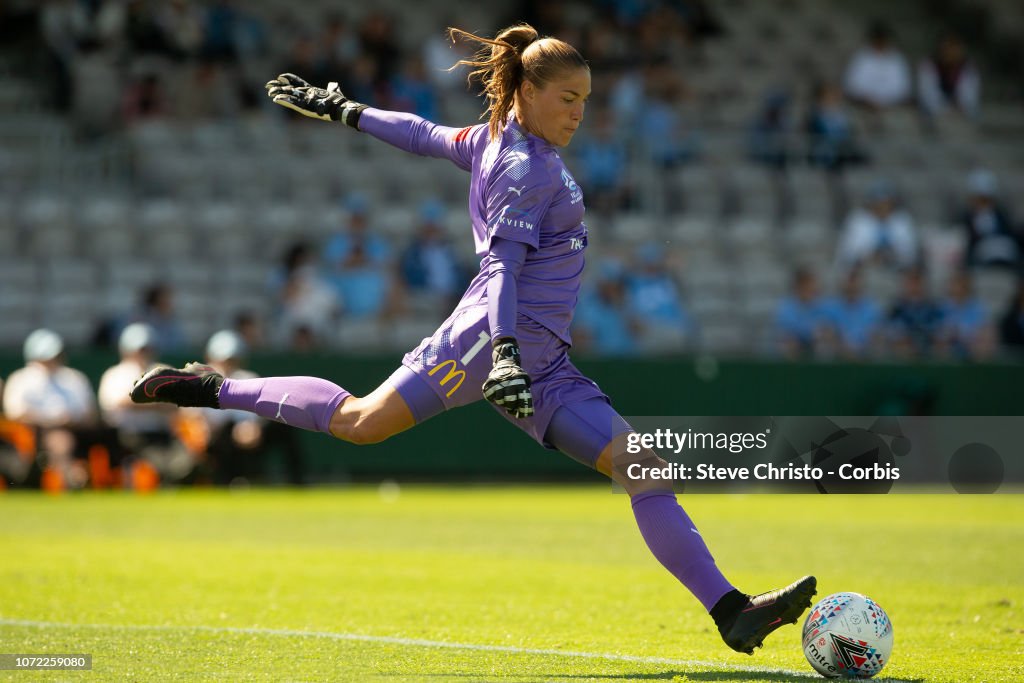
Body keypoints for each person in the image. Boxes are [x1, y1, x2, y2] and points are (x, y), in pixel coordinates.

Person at [131, 23, 815, 654]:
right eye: (568, 98)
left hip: (539, 360)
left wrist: (348, 111)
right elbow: (500, 269)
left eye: (586, 99)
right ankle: (211, 386)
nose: (580, 112)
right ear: (528, 91)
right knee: (363, 422)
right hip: (488, 347)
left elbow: (422, 133)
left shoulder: (503, 143)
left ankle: (732, 610)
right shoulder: (527, 167)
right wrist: (506, 354)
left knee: (644, 468)